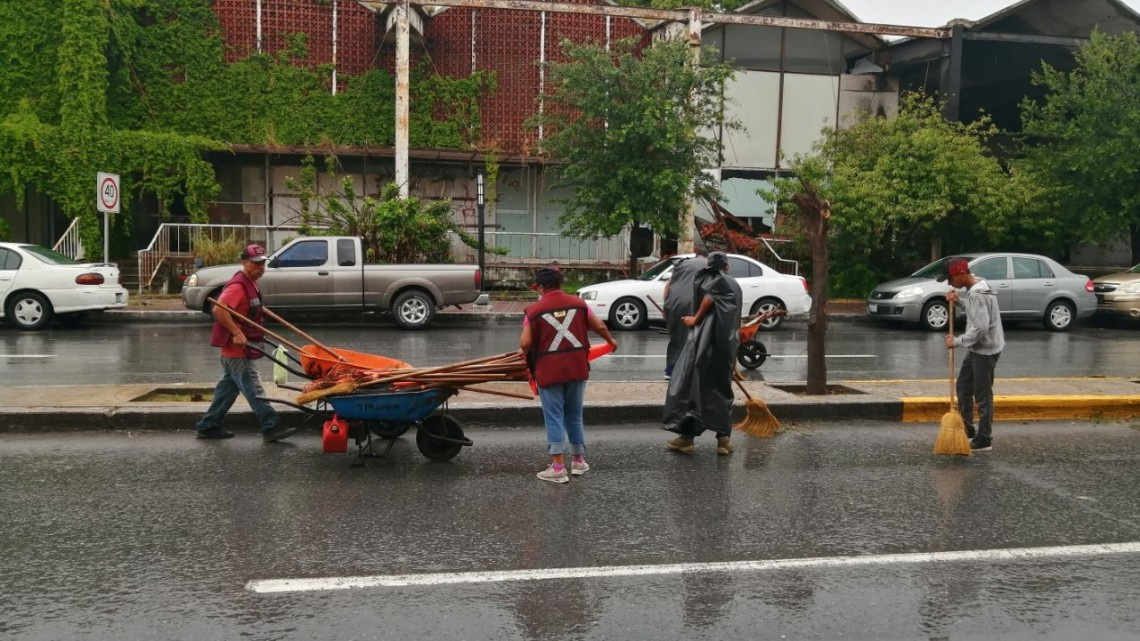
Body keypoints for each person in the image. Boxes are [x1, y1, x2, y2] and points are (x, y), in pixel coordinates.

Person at [519, 266, 618, 483]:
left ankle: (557, 469)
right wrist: (611, 341)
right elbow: (599, 326)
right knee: (574, 414)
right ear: (561, 284)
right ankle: (579, 461)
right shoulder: (579, 304)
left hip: (548, 371)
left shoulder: (533, 311)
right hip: (577, 367)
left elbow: (525, 343)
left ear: (541, 287)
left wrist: (522, 354)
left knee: (554, 416)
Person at [195, 244, 297, 443]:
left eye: (262, 264)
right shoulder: (237, 287)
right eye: (256, 264)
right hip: (236, 350)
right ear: (245, 263)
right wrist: (236, 332)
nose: (261, 267)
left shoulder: (251, 282)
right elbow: (219, 310)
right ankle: (271, 427)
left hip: (235, 352)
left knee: (227, 390)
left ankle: (209, 425)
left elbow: (247, 307)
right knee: (254, 389)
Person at [662, 251, 743, 455]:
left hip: (702, 347)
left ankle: (687, 439)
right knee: (720, 392)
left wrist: (695, 319)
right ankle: (722, 441)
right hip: (726, 348)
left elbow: (709, 297)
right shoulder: (735, 284)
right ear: (727, 266)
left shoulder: (712, 279)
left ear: (709, 265)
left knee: (691, 392)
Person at [940, 257, 1004, 452]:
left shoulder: (977, 294)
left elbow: (980, 329)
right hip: (979, 347)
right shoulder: (976, 287)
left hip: (984, 349)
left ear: (961, 274)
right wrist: (958, 301)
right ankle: (967, 428)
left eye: (951, 279)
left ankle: (984, 438)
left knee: (982, 395)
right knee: (964, 387)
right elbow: (974, 312)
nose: (950, 283)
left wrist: (957, 341)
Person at [662, 249, 708, 380]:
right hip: (691, 303)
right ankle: (690, 371)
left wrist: (666, 307)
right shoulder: (707, 265)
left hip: (673, 302)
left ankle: (670, 371)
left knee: (676, 338)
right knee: (693, 337)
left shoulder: (682, 264)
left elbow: (668, 287)